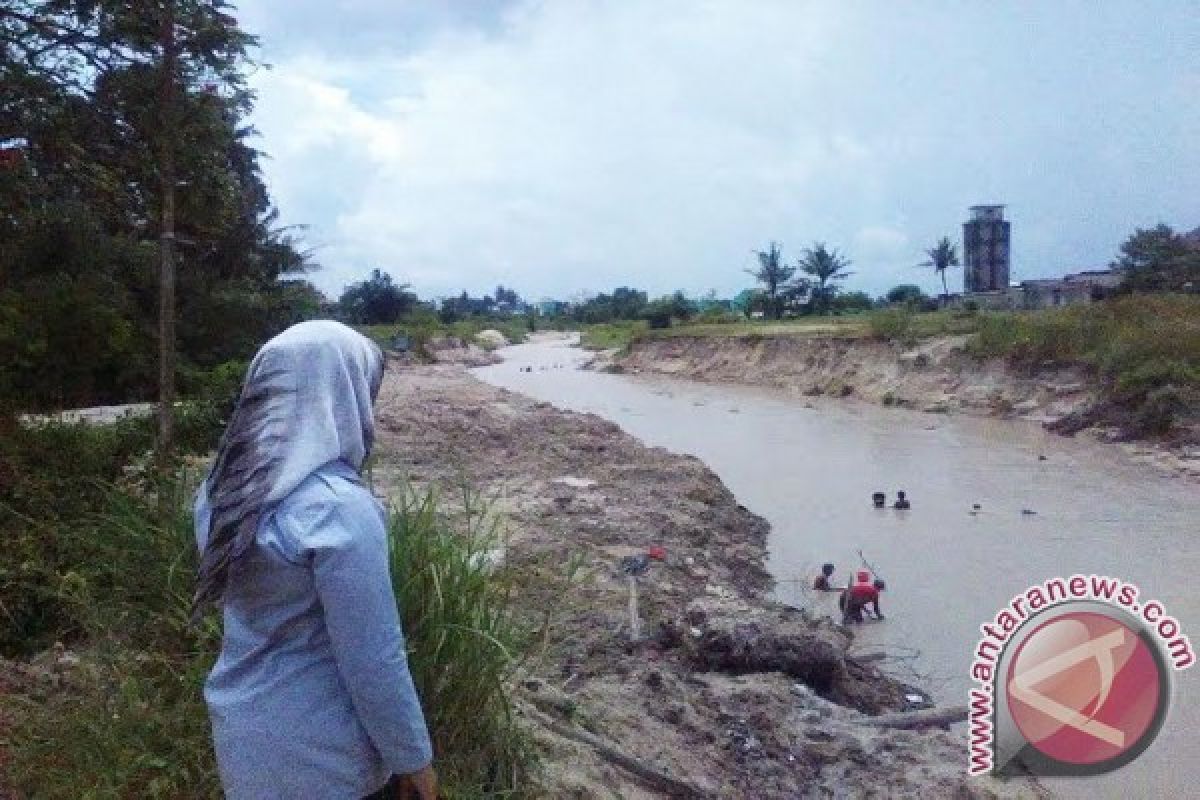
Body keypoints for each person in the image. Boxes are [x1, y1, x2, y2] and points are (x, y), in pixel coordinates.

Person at [192, 320, 437, 800]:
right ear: (344, 393)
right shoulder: (337, 510)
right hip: (329, 758)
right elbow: (373, 659)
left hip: (243, 736)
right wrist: (414, 760)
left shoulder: (220, 494)